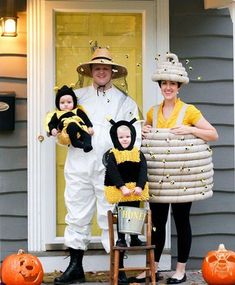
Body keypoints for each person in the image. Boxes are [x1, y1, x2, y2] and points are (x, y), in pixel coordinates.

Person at [128, 52, 218, 284]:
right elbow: (143, 138)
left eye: (172, 84)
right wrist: (144, 129)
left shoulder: (189, 111)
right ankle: (153, 268)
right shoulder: (152, 112)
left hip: (182, 178)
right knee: (157, 222)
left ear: (179, 86)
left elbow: (213, 134)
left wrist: (191, 130)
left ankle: (180, 269)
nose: (168, 88)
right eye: (164, 83)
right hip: (158, 176)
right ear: (160, 86)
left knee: (181, 220)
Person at [54, 47, 141, 285]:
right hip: (79, 165)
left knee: (111, 216)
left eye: (105, 68)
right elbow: (61, 123)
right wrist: (61, 134)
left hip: (110, 170)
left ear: (112, 71)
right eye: (97, 67)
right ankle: (75, 267)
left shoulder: (125, 102)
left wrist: (124, 164)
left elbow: (135, 134)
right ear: (91, 70)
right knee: (77, 214)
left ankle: (118, 269)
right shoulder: (76, 97)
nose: (101, 71)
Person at [104, 118, 149, 284]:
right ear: (116, 138)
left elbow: (143, 170)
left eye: (127, 137)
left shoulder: (138, 153)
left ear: (132, 137)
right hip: (122, 192)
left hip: (135, 191)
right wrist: (121, 187)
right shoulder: (113, 155)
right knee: (123, 213)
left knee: (135, 212)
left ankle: (135, 236)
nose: (124, 140)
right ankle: (122, 237)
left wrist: (140, 186)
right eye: (121, 137)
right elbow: (113, 171)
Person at [46, 85, 94, 152]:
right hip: (67, 128)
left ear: (74, 102)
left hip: (79, 126)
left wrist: (89, 127)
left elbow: (85, 119)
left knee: (86, 134)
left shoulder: (77, 111)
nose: (66, 104)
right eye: (62, 102)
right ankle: (75, 142)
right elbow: (52, 123)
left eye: (69, 102)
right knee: (72, 125)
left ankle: (87, 145)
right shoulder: (57, 114)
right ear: (58, 104)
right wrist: (52, 129)